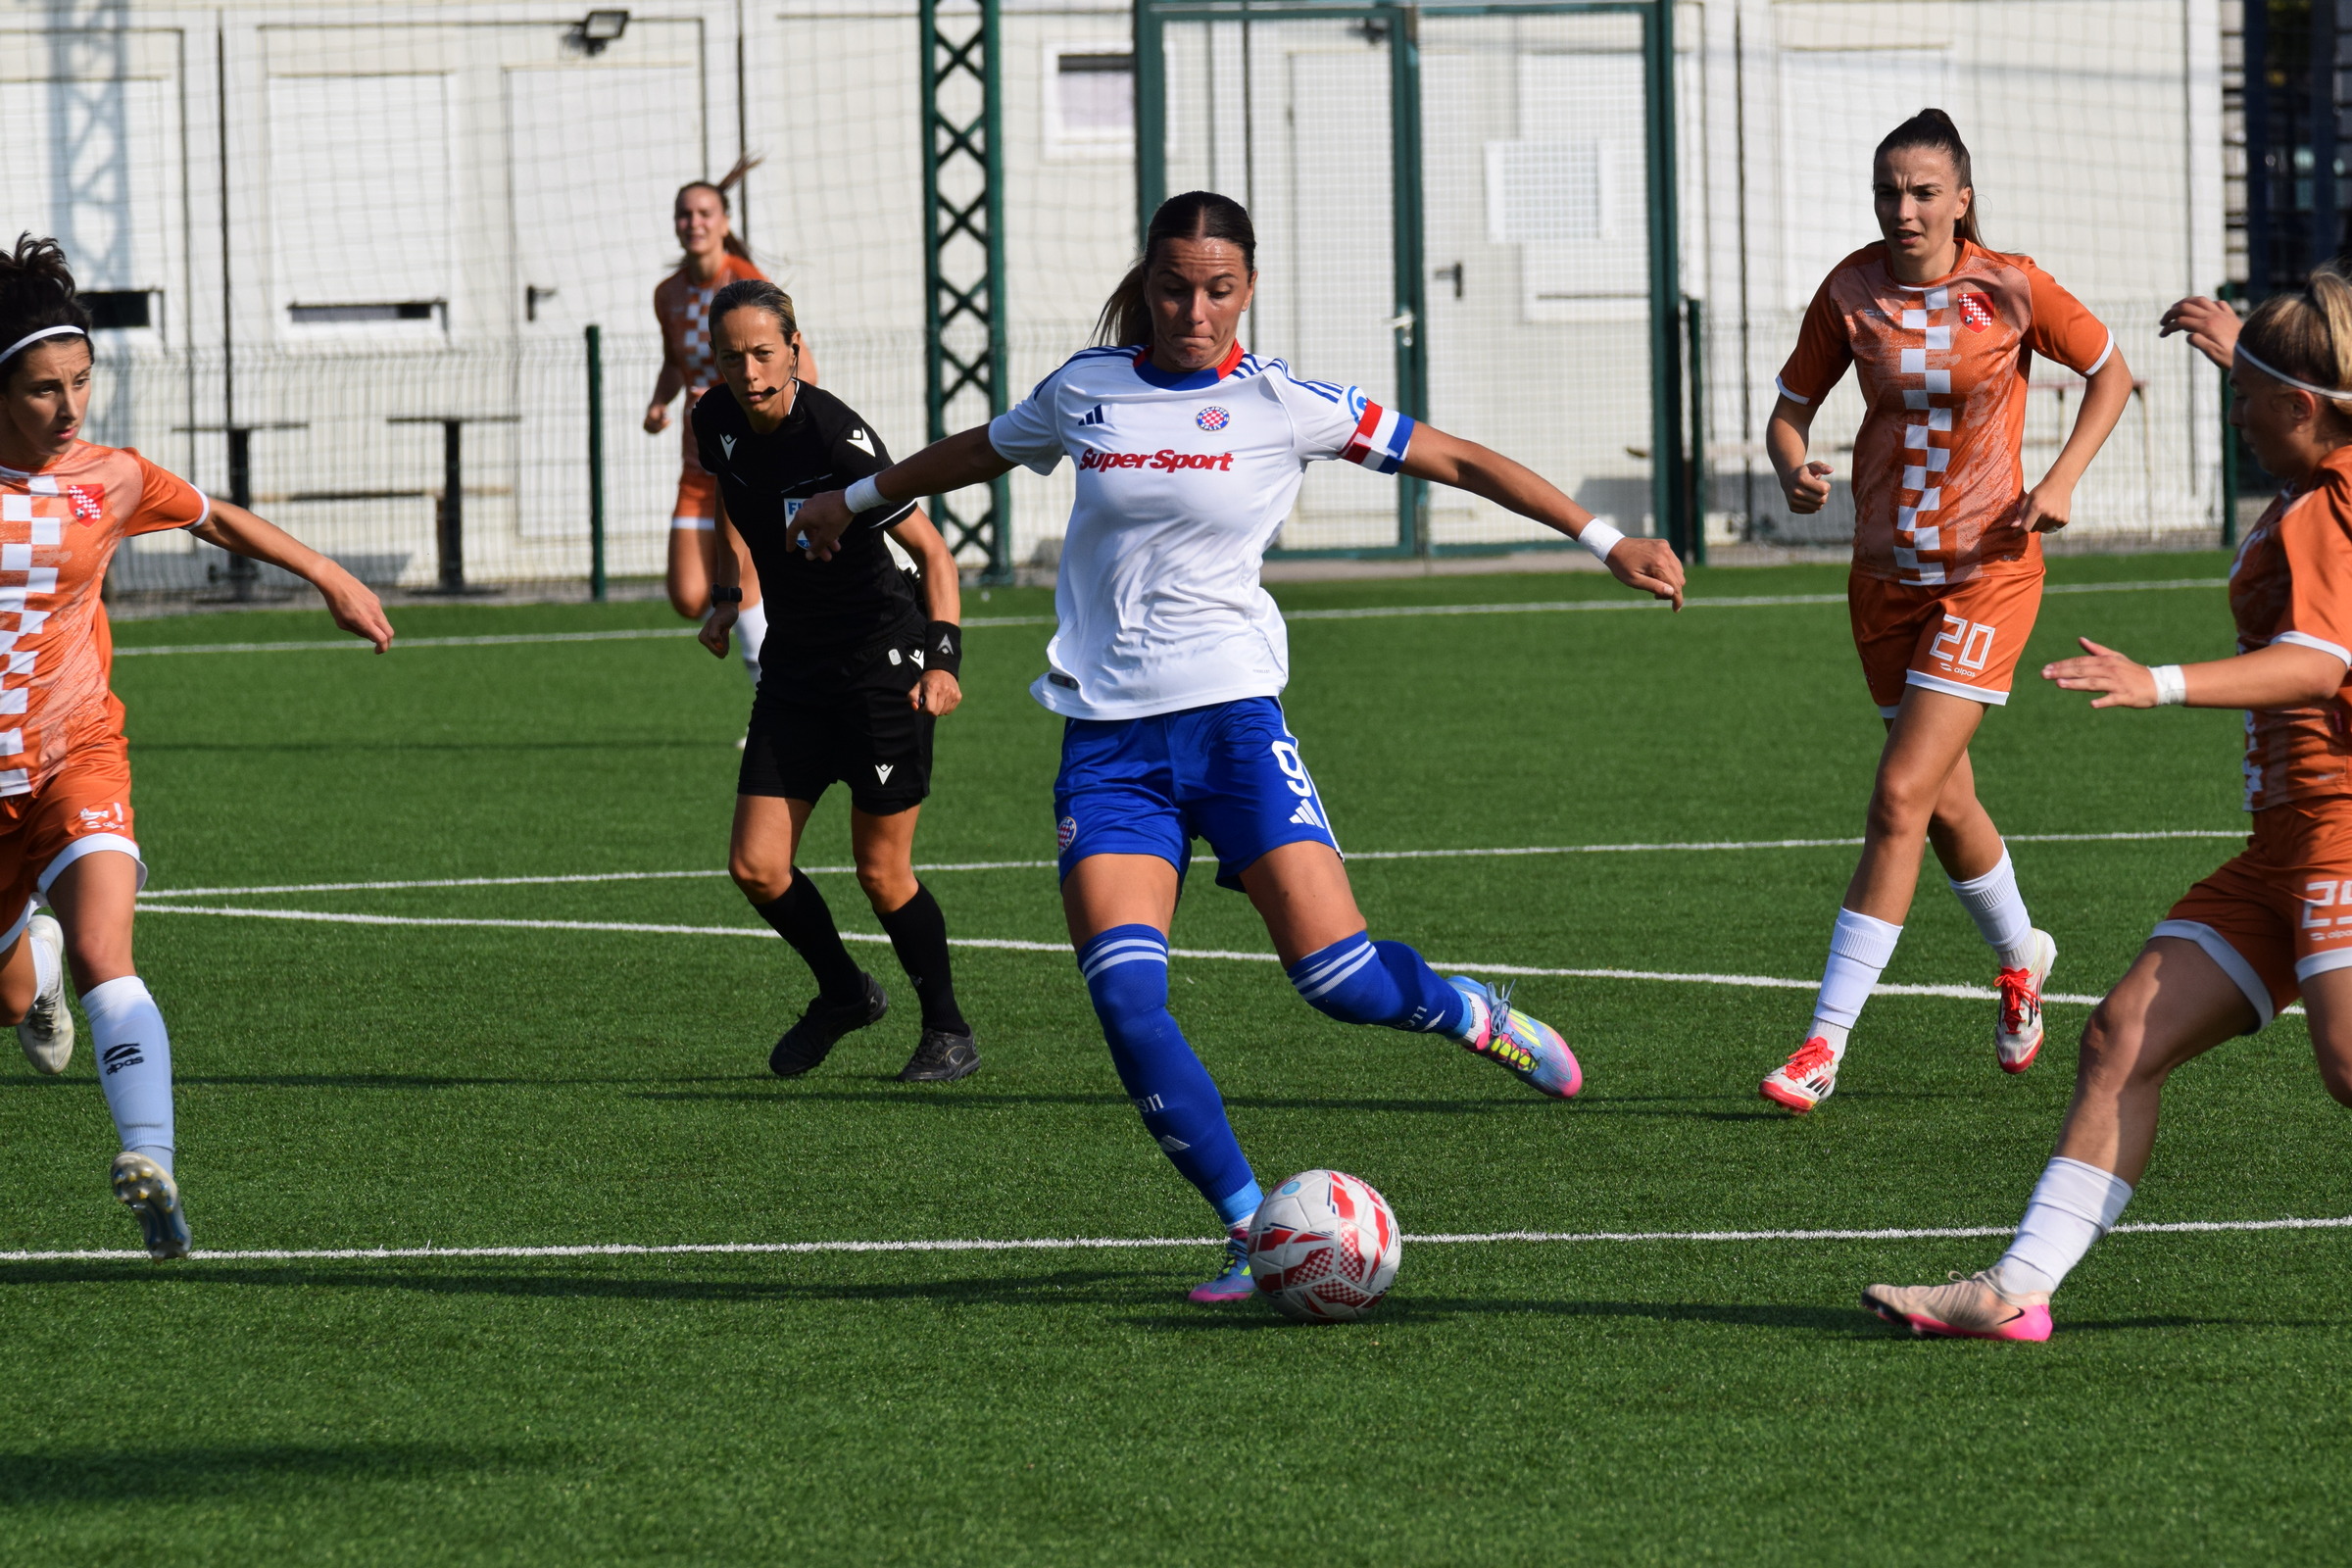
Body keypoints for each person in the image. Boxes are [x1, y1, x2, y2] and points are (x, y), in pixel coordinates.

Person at [792, 191, 1686, 1301]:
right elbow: (978, 451)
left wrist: (1604, 538)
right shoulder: (1087, 389)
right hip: (1108, 749)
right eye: (1174, 289)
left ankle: (1471, 1012)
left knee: (1341, 980)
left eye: (1219, 290)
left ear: (1249, 287)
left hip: (1233, 728)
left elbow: (1454, 460)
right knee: (1127, 1000)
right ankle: (1250, 1226)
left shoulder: (1284, 403)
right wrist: (853, 499)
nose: (1195, 312)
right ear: (1148, 284)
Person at [1863, 270, 2352, 1341]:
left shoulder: (2328, 506)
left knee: (2349, 1066)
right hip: (2285, 847)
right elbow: (2316, 398)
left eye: (2251, 400)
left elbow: (2321, 663)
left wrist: (2156, 681)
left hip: (2343, 836)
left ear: (2304, 407)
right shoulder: (2326, 466)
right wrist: (2248, 348)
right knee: (2122, 1037)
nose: (2236, 418)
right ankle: (2012, 1290)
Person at [0, 233, 394, 1257]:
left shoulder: (109, 479)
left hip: (77, 752)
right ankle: (30, 964)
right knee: (15, 996)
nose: (70, 407)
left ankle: (152, 1162)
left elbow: (214, 520)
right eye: (44, 389)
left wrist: (329, 575)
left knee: (108, 951)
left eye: (81, 380)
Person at [1758, 109, 2133, 1113]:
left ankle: (1823, 1042)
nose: (1905, 209)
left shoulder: (2011, 285)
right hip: (1883, 577)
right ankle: (2021, 957)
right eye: (1889, 191)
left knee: (1899, 795)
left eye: (1925, 191)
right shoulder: (1849, 290)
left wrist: (2062, 478)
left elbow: (2110, 371)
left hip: (1987, 574)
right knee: (1946, 801)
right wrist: (1793, 468)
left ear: (1962, 199)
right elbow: (1790, 410)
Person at [694, 278, 978, 1083]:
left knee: (881, 873)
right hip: (795, 666)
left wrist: (943, 662)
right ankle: (846, 994)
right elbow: (729, 504)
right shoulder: (713, 420)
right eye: (731, 357)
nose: (748, 372)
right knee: (756, 867)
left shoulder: (836, 438)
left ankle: (948, 1029)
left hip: (881, 667)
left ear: (794, 349)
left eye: (763, 353)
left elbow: (934, 556)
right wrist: (727, 597)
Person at [646, 158, 819, 689]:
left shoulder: (748, 284)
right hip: (697, 465)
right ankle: (782, 655)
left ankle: (774, 697)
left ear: (724, 222)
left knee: (741, 585)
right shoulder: (668, 293)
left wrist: (733, 402)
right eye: (685, 214)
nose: (693, 222)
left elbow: (803, 370)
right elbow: (675, 363)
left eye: (704, 213)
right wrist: (659, 403)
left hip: (746, 462)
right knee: (687, 596)